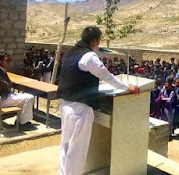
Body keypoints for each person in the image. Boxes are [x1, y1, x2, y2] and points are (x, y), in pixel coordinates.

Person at [57, 26, 140, 175]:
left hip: (66, 104)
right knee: (77, 149)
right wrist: (127, 87)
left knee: (66, 144)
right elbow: (106, 75)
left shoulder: (71, 52)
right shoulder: (89, 56)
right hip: (79, 108)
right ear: (94, 41)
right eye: (99, 40)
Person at [0, 52, 35, 129]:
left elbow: (7, 84)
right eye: (7, 60)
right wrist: (8, 84)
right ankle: (23, 123)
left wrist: (8, 84)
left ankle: (21, 120)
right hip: (1, 99)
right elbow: (6, 85)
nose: (9, 62)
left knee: (25, 97)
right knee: (29, 97)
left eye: (10, 60)